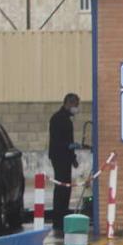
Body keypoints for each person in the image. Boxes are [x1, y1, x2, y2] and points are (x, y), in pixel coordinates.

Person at [48, 93, 80, 236]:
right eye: (76, 105)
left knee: (66, 188)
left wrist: (73, 157)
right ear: (69, 103)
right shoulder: (58, 119)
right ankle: (58, 220)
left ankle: (62, 217)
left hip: (66, 157)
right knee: (61, 187)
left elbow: (69, 139)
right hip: (59, 157)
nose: (76, 108)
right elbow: (58, 140)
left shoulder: (67, 119)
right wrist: (69, 146)